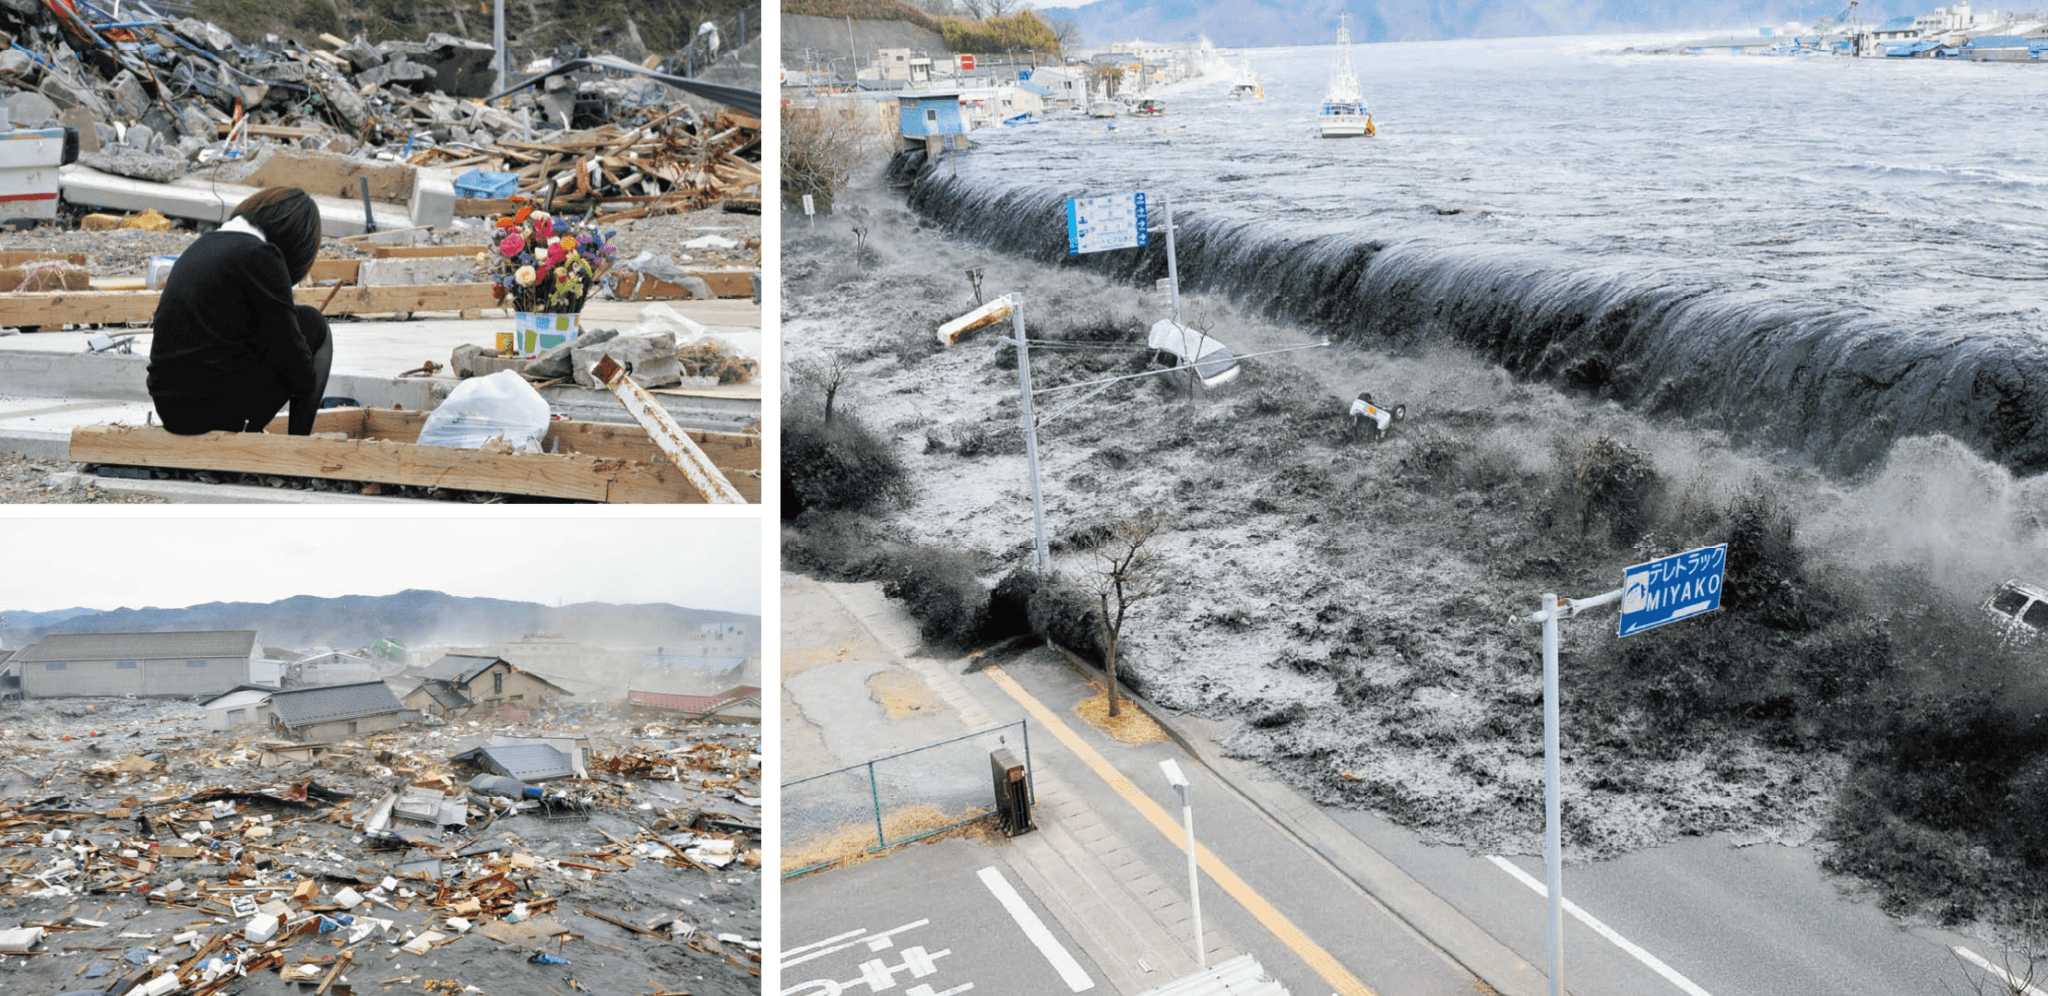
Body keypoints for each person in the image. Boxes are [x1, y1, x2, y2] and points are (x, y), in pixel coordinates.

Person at [147, 186, 332, 436]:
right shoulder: (262, 255)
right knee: (313, 322)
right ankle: (299, 444)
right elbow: (298, 371)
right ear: (293, 240)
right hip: (215, 414)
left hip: (170, 409)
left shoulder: (201, 246)